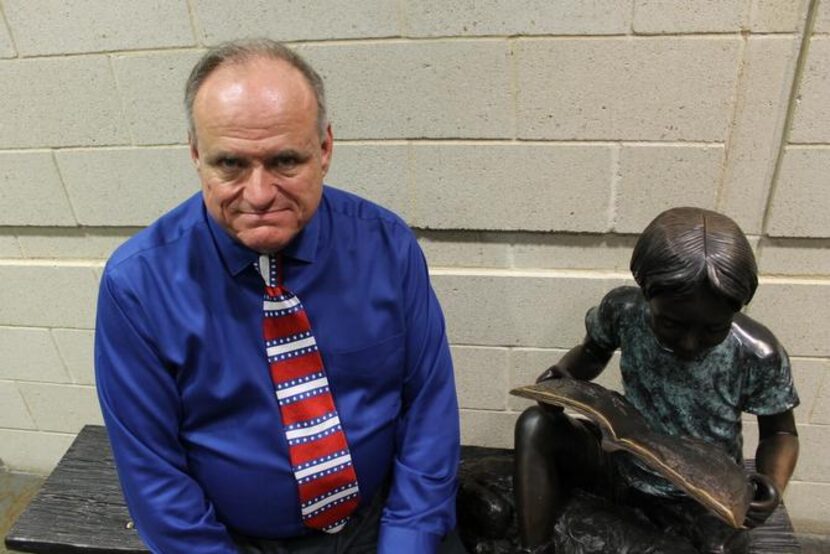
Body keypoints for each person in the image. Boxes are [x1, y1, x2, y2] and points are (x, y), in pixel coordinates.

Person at [95, 39, 461, 554]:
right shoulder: (137, 286)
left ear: (326, 149)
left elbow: (428, 407)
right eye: (231, 165)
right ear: (197, 156)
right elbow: (153, 475)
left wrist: (409, 539)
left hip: (385, 520)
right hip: (233, 540)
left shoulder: (386, 245)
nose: (260, 193)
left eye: (286, 160)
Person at [513, 207, 800, 553]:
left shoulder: (757, 352)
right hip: (621, 462)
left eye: (713, 329)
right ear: (647, 294)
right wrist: (562, 378)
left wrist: (771, 483)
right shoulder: (623, 311)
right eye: (672, 325)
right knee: (535, 425)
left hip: (699, 497)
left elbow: (781, 433)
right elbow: (592, 352)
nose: (690, 343)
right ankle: (535, 548)